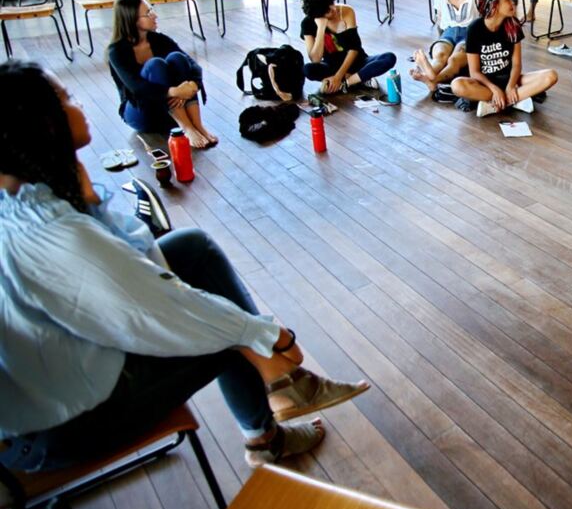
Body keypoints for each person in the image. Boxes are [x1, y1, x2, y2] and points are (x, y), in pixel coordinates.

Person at [0, 60, 371, 472]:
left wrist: (88, 201)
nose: (79, 103)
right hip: (61, 427)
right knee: (221, 326)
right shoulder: (52, 234)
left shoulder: (21, 200)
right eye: (66, 98)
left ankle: (277, 399)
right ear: (41, 124)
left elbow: (138, 265)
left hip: (55, 383)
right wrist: (268, 336)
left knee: (192, 251)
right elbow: (146, 313)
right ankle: (274, 410)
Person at [107, 0, 216, 149]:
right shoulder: (116, 51)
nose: (155, 15)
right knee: (155, 65)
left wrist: (193, 84)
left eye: (152, 10)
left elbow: (193, 65)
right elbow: (137, 87)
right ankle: (187, 128)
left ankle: (197, 125)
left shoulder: (159, 39)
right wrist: (175, 91)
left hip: (169, 110)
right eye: (148, 13)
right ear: (132, 19)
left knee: (177, 58)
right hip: (141, 112)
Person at [453, 0, 558, 117]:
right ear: (495, 6)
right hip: (485, 84)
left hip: (510, 79)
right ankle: (514, 100)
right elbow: (474, 72)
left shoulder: (513, 25)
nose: (512, 2)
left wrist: (510, 86)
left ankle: (495, 103)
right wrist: (494, 89)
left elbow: (517, 65)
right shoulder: (474, 29)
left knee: (551, 76)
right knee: (457, 85)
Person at [300, 0, 397, 95]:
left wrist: (338, 77)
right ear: (318, 16)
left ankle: (346, 83)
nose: (334, 9)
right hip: (331, 66)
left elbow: (354, 49)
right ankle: (360, 78)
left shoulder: (346, 11)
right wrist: (321, 28)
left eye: (332, 3)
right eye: (328, 11)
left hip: (357, 61)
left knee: (389, 57)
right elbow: (315, 59)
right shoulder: (307, 24)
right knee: (308, 69)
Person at [410, 0, 481, 95]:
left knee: (454, 59)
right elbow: (440, 19)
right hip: (448, 32)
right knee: (441, 56)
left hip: (469, 34)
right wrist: (440, 39)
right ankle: (429, 72)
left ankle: (432, 79)